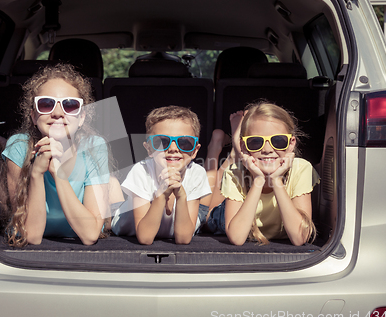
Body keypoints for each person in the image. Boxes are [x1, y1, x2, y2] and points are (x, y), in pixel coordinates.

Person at [0, 63, 111, 247]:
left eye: (70, 105)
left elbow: (90, 236)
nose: (58, 113)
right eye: (46, 104)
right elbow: (32, 237)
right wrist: (36, 173)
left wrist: (58, 173)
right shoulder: (19, 147)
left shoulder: (93, 147)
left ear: (81, 117)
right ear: (34, 116)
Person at [206, 100, 319, 246]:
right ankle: (225, 149)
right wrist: (258, 180)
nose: (267, 149)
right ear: (245, 146)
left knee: (236, 168)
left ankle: (236, 149)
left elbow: (299, 238)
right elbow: (237, 238)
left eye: (278, 141)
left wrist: (276, 180)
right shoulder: (235, 173)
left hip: (247, 164)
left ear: (291, 144)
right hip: (228, 217)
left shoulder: (301, 169)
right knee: (207, 213)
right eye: (255, 142)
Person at [110, 106, 211, 245]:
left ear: (195, 151)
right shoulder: (141, 171)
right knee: (107, 219)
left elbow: (183, 239)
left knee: (205, 216)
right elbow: (145, 238)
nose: (173, 148)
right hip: (125, 221)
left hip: (177, 223)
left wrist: (181, 196)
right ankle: (112, 185)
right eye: (162, 141)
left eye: (184, 142)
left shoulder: (197, 173)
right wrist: (161, 195)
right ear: (149, 149)